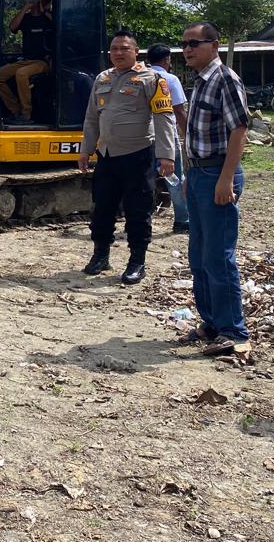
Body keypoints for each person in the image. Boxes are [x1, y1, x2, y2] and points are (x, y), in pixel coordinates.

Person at [77, 31, 176, 284]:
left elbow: (164, 118)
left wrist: (167, 156)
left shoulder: (152, 79)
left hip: (138, 156)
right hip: (107, 156)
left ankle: (137, 261)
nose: (118, 53)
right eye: (114, 49)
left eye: (124, 48)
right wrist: (85, 150)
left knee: (137, 211)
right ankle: (100, 255)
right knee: (102, 209)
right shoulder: (102, 78)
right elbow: (91, 117)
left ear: (136, 51)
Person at [179, 21, 251, 356]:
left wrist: (225, 179)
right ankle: (211, 322)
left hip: (217, 175)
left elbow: (240, 129)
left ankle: (233, 331)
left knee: (219, 257)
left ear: (215, 45)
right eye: (185, 44)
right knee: (199, 255)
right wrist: (188, 178)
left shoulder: (224, 79)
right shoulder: (200, 82)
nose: (188, 49)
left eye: (195, 43)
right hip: (198, 175)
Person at [146, 43, 189, 233]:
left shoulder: (140, 77)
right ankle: (182, 220)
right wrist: (188, 134)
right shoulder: (170, 79)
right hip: (166, 134)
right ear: (167, 59)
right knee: (173, 177)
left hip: (144, 135)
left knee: (142, 177)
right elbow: (179, 110)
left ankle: (141, 219)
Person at [0, 0, 53, 125]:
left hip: (43, 62)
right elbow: (12, 27)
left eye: (35, 0)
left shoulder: (48, 17)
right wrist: (24, 9)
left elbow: (60, 26)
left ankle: (26, 114)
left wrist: (44, 10)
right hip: (26, 60)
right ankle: (15, 110)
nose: (32, 1)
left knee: (21, 74)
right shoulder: (26, 18)